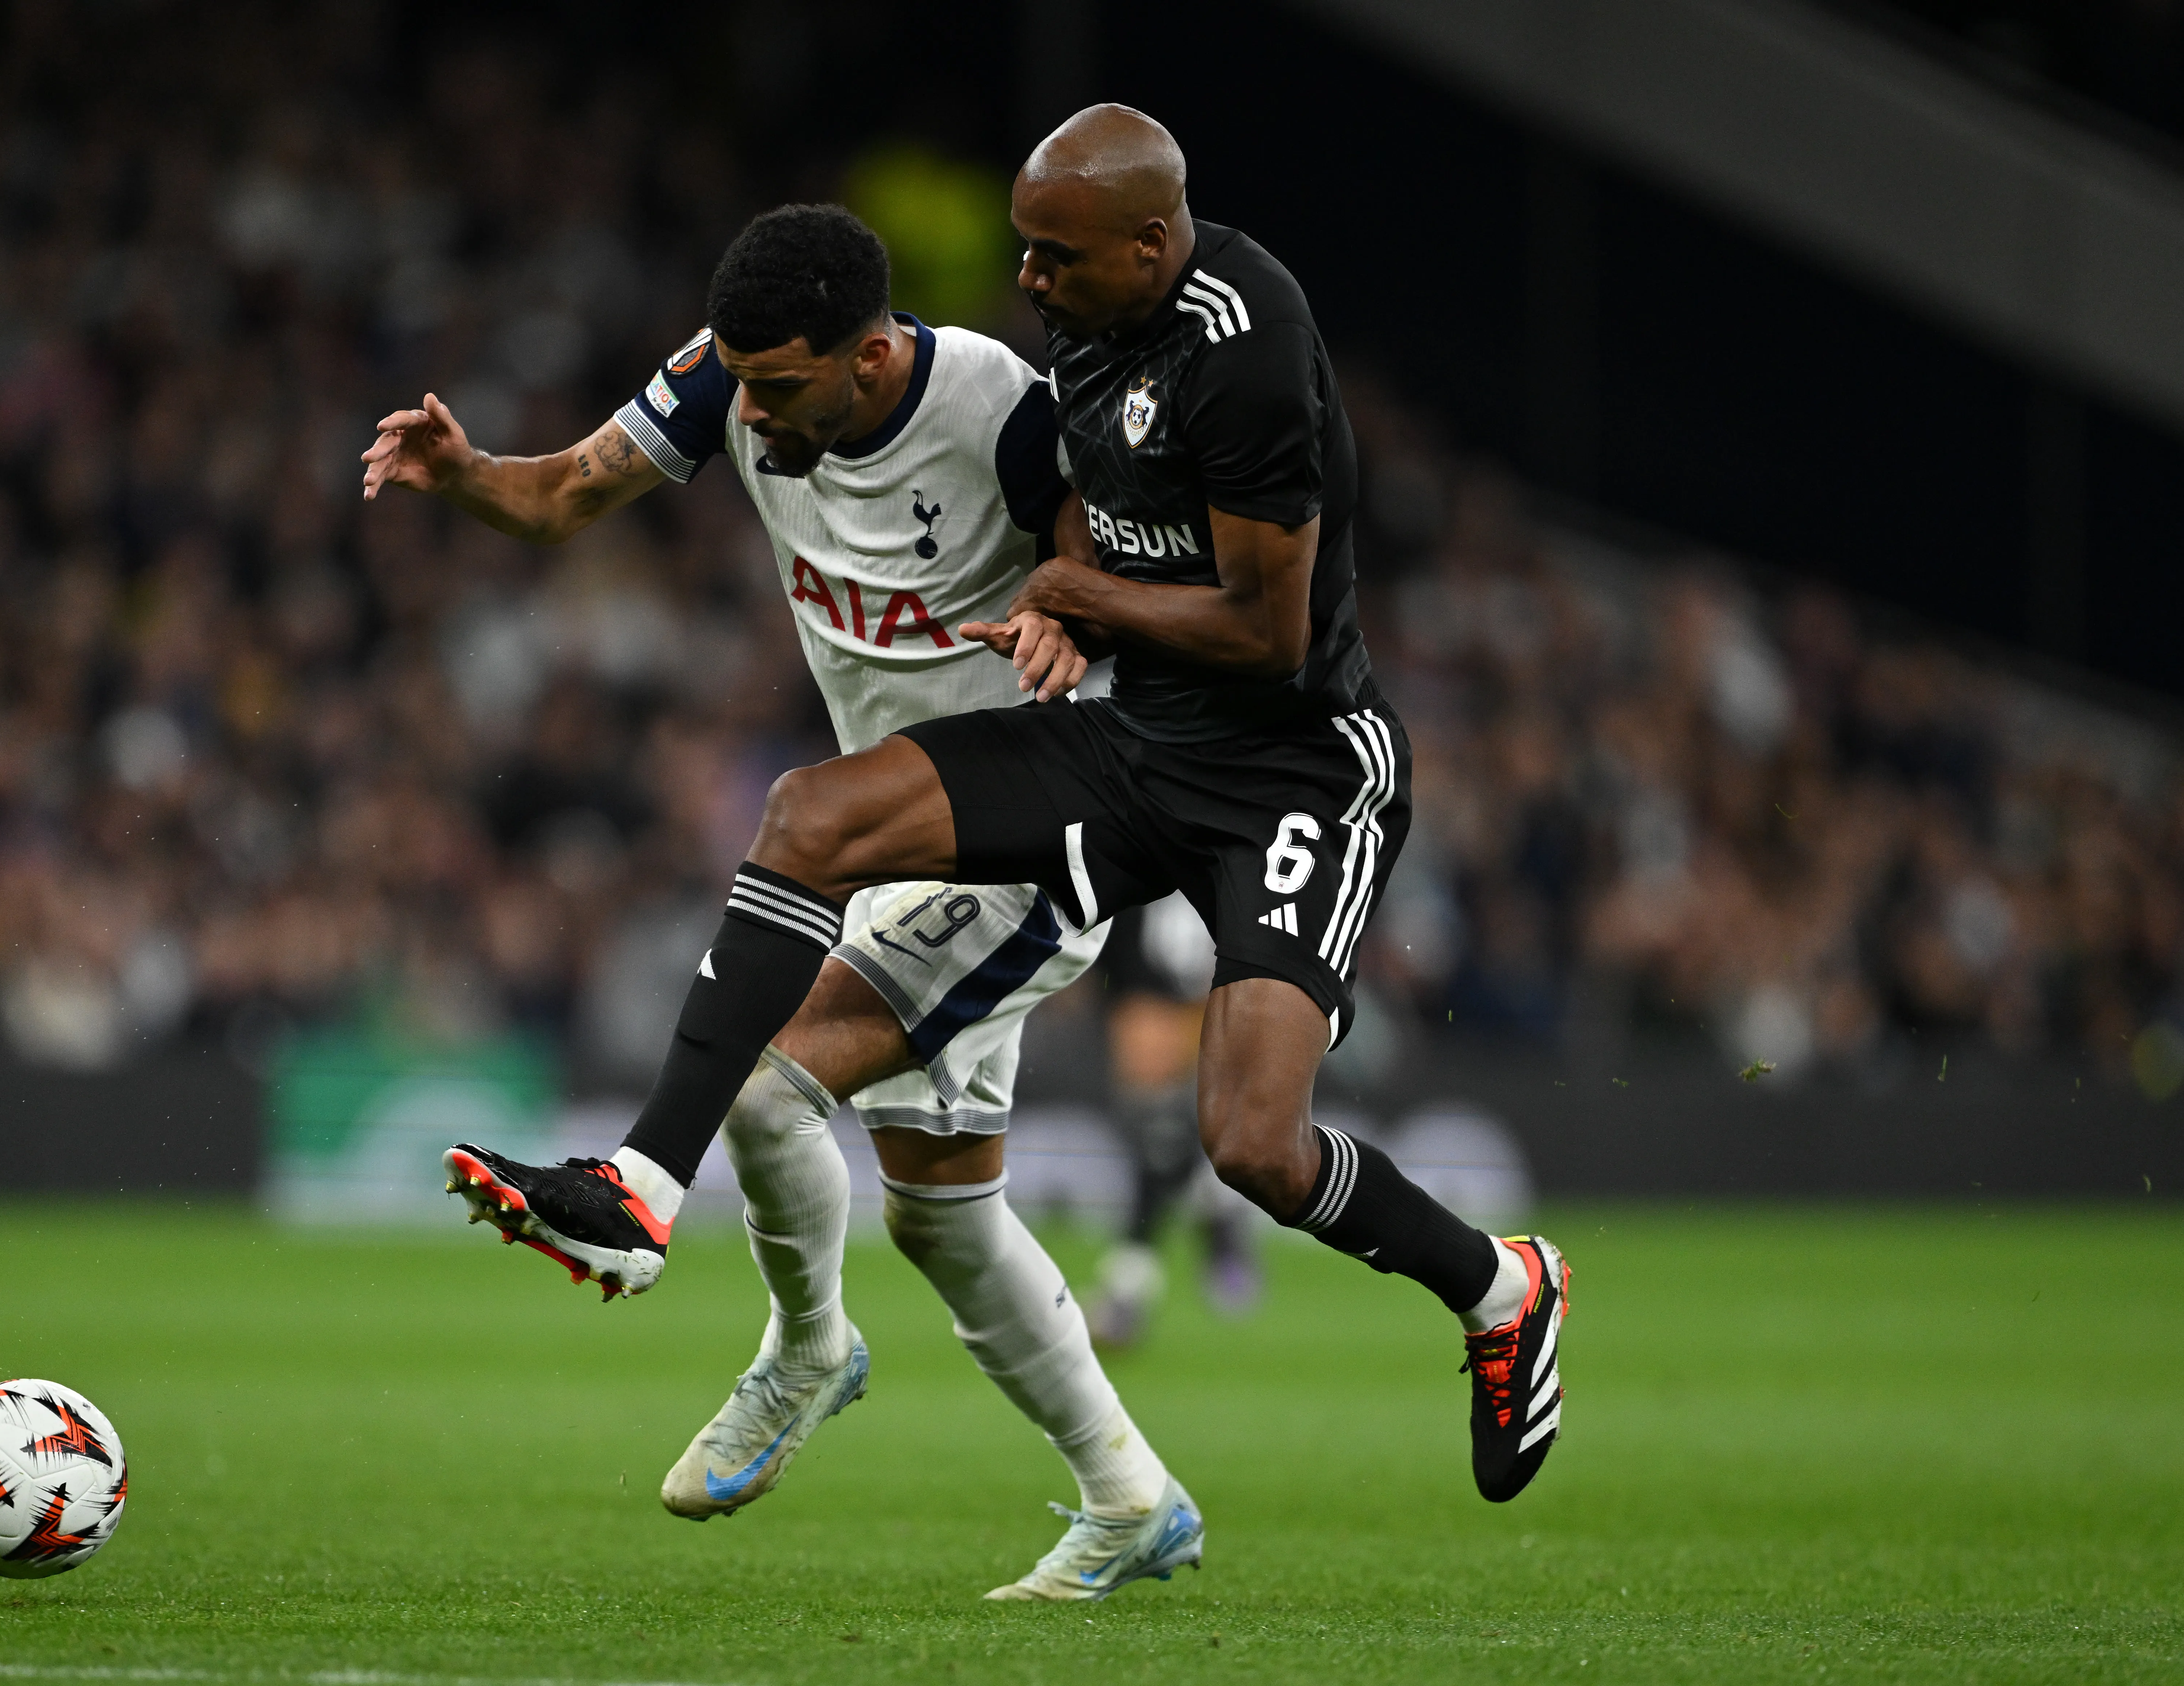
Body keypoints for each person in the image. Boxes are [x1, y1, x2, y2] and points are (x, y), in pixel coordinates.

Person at [444, 107, 1572, 1509]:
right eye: (1025, 253)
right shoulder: (1077, 345)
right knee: (809, 824)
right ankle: (642, 1190)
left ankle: (1497, 1281)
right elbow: (1081, 529)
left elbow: (1267, 636)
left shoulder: (1246, 350)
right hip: (1132, 745)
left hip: (1291, 767)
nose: (1024, 279)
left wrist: (1072, 602)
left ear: (1147, 245)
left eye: (1053, 255)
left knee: (1253, 1145)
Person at [360, 205, 1203, 1600]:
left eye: (779, 387)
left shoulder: (1002, 412)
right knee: (939, 1210)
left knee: (764, 1078)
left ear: (871, 359)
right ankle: (1131, 1497)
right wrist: (465, 476)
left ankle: (801, 1343)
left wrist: (1069, 603)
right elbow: (567, 493)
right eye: (737, 381)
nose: (746, 413)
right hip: (893, 841)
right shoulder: (723, 376)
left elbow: (1100, 562)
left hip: (1031, 835)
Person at [1085, 892, 1260, 1349]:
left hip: (1190, 1002)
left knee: (1163, 1144)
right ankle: (1220, 1210)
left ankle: (1127, 1289)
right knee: (1168, 1141)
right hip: (1151, 999)